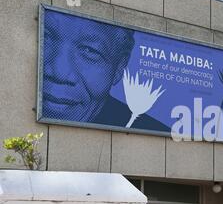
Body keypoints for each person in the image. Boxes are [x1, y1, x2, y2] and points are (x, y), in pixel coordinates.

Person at [42, 10, 170, 132]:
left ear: (119, 67)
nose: (59, 72)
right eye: (46, 37)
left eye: (89, 50)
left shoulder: (152, 131)